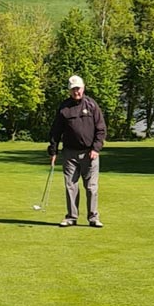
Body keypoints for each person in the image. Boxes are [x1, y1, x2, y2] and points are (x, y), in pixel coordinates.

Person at [47, 75, 107, 228]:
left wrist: (96, 148)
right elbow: (56, 131)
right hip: (69, 153)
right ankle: (71, 217)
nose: (76, 92)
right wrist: (53, 151)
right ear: (69, 90)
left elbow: (101, 129)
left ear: (83, 88)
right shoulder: (64, 107)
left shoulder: (92, 105)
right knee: (70, 186)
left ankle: (93, 217)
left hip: (89, 153)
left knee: (91, 187)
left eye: (78, 89)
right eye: (73, 89)